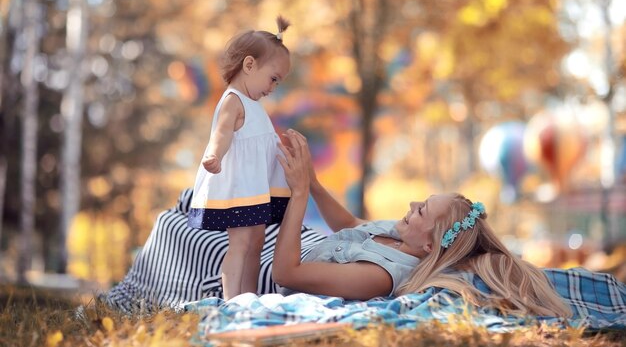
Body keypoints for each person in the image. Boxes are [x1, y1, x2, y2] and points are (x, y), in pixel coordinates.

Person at [104, 130, 625, 322]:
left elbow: (286, 273)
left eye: (425, 209)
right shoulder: (394, 234)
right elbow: (349, 224)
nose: (414, 203)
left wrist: (299, 195)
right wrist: (312, 178)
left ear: (432, 244)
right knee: (197, 202)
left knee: (183, 232)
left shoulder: (378, 278)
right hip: (303, 242)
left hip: (274, 262)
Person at [188, 16, 293, 300]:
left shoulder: (254, 104)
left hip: (256, 188)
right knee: (241, 243)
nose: (273, 87)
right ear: (249, 65)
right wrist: (214, 155)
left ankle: (250, 297)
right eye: (273, 79)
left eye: (278, 83)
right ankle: (233, 299)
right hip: (240, 188)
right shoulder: (233, 99)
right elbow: (221, 134)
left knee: (256, 241)